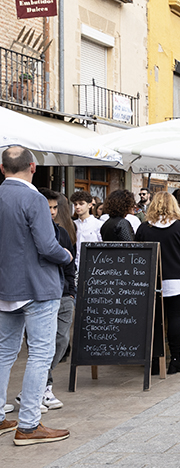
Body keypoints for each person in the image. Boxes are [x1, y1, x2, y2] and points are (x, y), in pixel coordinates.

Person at [0, 147, 74, 445]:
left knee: (4, 352)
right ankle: (29, 425)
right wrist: (67, 255)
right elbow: (47, 245)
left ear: (2, 168)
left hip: (6, 285)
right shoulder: (34, 199)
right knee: (41, 354)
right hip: (38, 285)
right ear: (33, 167)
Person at [135, 192, 180, 375]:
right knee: (175, 318)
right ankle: (175, 360)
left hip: (151, 279)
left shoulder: (144, 228)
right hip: (177, 279)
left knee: (154, 321)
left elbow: (136, 252)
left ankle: (154, 362)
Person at [37, 190, 75, 410]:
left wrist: (71, 291)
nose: (51, 212)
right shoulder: (32, 233)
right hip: (40, 294)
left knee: (61, 340)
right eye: (48, 207)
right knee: (41, 344)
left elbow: (70, 263)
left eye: (54, 207)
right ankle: (42, 387)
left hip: (62, 294)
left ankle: (38, 385)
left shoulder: (61, 232)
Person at [70, 189, 102, 275]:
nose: (77, 207)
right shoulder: (73, 224)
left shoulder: (98, 224)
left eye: (81, 204)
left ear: (90, 205)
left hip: (94, 267)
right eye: (75, 204)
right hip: (75, 267)